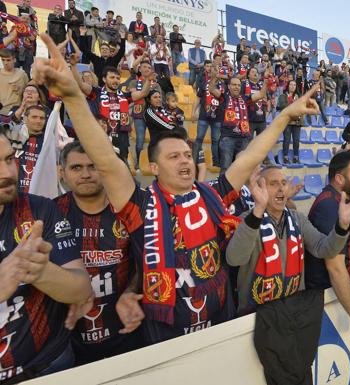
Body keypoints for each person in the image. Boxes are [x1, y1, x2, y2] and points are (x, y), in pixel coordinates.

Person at [31, 32, 322, 345]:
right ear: (153, 168)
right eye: (174, 157)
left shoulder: (213, 195)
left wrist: (284, 116)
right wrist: (74, 98)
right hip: (167, 336)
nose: (185, 161)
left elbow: (251, 156)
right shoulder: (139, 205)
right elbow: (105, 161)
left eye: (187, 154)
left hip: (221, 326)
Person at [226, 164, 350, 385]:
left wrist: (341, 226)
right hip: (259, 319)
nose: (281, 189)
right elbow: (235, 258)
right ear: (258, 189)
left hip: (293, 314)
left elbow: (323, 248)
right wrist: (258, 211)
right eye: (273, 184)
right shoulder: (247, 220)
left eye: (283, 183)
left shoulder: (297, 218)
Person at [0, 130, 92, 382]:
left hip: (51, 365)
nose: (7, 173)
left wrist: (41, 272)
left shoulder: (39, 210)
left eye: (9, 159)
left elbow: (81, 290)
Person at [55, 141, 144, 365]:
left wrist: (132, 290)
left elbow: (146, 259)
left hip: (127, 332)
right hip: (70, 341)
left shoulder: (128, 211)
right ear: (61, 173)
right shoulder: (50, 214)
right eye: (76, 168)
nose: (86, 174)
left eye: (93, 166)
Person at [305, 151, 350, 338]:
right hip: (327, 298)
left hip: (339, 291)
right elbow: (335, 268)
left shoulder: (345, 199)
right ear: (340, 178)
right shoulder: (329, 207)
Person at [210, 68, 267, 171]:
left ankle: (239, 188)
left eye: (239, 85)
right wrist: (214, 78)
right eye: (234, 85)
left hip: (243, 138)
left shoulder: (245, 99)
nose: (237, 87)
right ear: (229, 86)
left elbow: (261, 94)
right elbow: (212, 90)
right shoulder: (224, 97)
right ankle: (224, 187)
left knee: (241, 169)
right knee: (226, 169)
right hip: (228, 138)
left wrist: (266, 81)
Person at [127, 60, 161, 170]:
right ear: (140, 69)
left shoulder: (156, 85)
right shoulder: (133, 83)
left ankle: (154, 162)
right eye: (144, 67)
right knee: (140, 141)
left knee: (155, 140)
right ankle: (138, 162)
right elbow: (135, 97)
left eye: (149, 67)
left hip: (153, 115)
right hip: (139, 114)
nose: (147, 69)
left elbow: (160, 100)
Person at [8, 105, 45, 193]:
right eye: (34, 117)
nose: (38, 121)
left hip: (37, 195)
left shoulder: (49, 141)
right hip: (11, 193)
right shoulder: (11, 136)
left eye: (42, 118)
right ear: (25, 118)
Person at [277, 80, 303, 164]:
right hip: (287, 122)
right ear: (288, 86)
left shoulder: (299, 96)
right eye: (291, 84)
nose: (292, 86)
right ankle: (285, 157)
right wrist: (293, 103)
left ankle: (296, 157)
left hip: (297, 122)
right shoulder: (283, 96)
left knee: (296, 140)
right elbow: (282, 106)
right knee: (287, 140)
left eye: (294, 85)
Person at [0, 49, 29, 115]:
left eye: (8, 60)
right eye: (3, 60)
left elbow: (28, 91)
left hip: (15, 111)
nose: (5, 63)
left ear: (14, 60)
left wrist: (20, 89)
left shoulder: (22, 74)